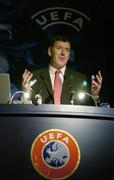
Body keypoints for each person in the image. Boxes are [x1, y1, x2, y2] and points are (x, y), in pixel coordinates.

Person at [22, 35, 102, 105]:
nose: (63, 53)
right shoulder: (34, 77)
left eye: (67, 50)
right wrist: (24, 94)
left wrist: (94, 96)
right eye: (59, 48)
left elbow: (89, 111)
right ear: (50, 51)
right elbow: (22, 110)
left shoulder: (80, 79)